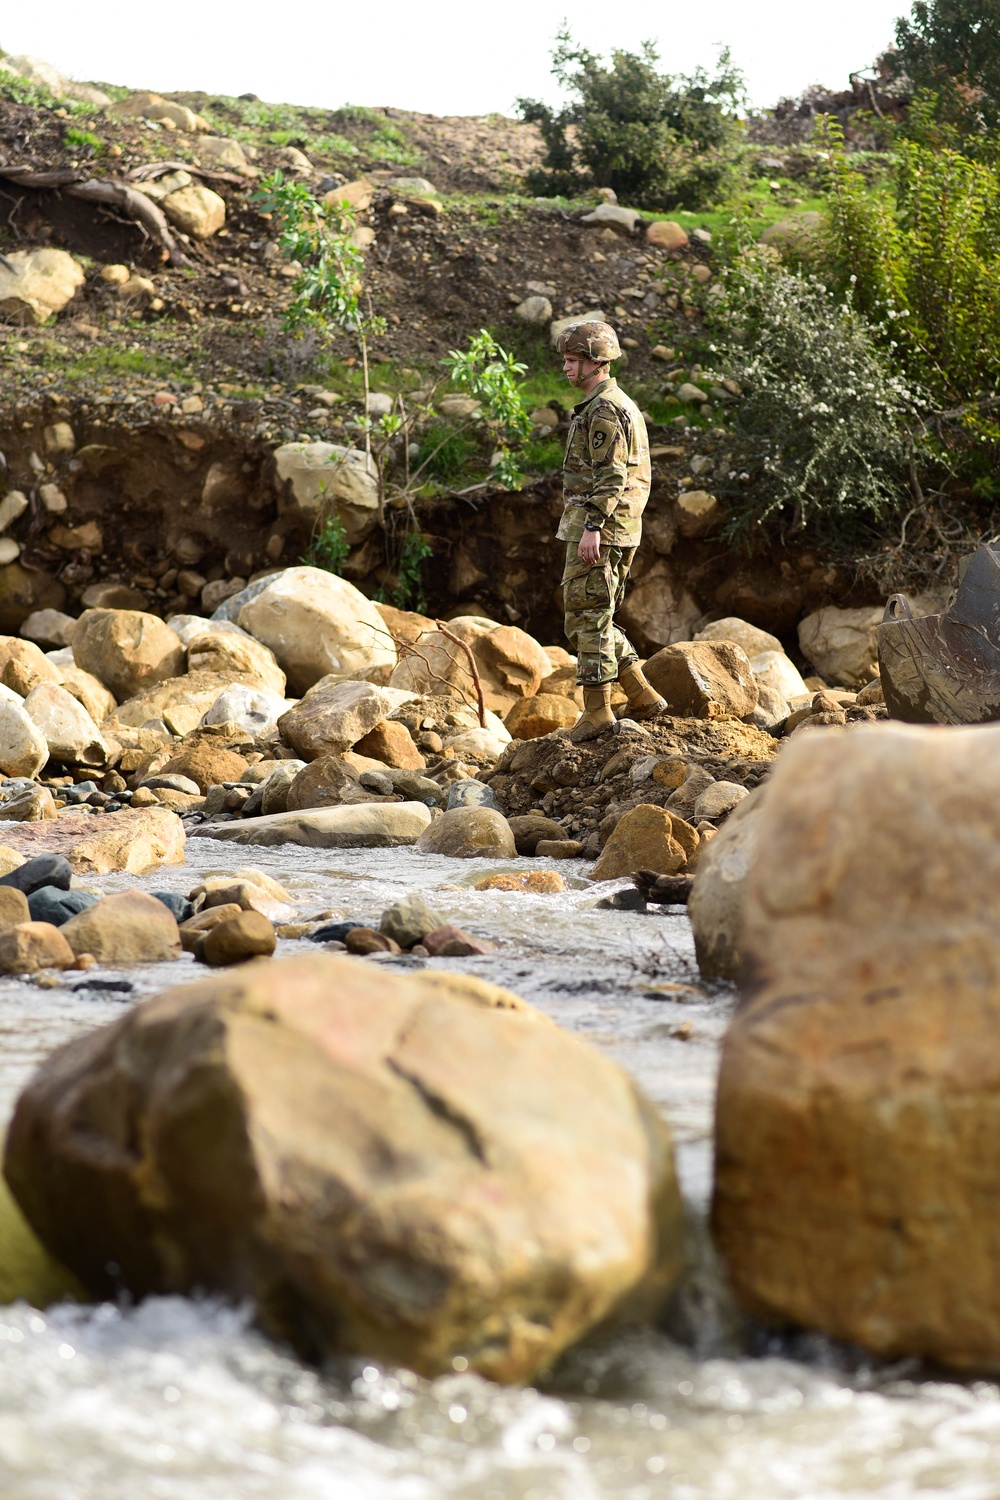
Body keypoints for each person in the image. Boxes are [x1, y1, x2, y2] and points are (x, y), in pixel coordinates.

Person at [555, 320, 667, 741]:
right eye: (565, 360)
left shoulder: (604, 409)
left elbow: (611, 476)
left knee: (588, 619)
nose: (566, 369)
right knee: (594, 615)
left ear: (596, 362)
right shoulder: (611, 403)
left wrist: (592, 527)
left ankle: (598, 711)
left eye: (572, 360)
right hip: (613, 529)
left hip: (602, 530)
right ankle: (642, 695)